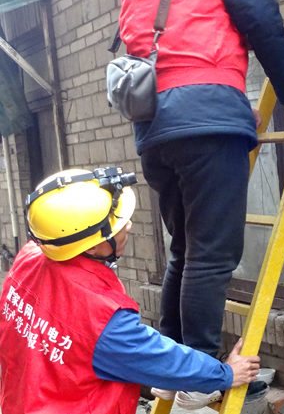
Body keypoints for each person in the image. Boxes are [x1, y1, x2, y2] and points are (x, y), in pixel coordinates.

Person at [117, 0, 284, 408]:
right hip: (206, 117)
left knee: (184, 250)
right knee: (212, 255)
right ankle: (200, 375)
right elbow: (259, 16)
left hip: (154, 128)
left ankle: (170, 368)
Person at [0, 167, 260, 414]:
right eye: (117, 224)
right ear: (91, 247)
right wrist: (224, 374)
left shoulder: (30, 258)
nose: (128, 226)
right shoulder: (101, 318)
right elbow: (159, 358)